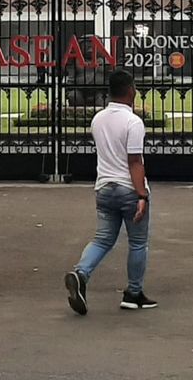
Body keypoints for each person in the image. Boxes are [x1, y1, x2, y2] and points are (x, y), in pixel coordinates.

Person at [64, 69, 156, 315]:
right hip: (128, 188)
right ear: (130, 90)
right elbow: (134, 161)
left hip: (104, 187)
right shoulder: (133, 122)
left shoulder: (98, 119)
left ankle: (81, 273)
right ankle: (133, 293)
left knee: (103, 238)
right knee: (137, 243)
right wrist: (142, 196)